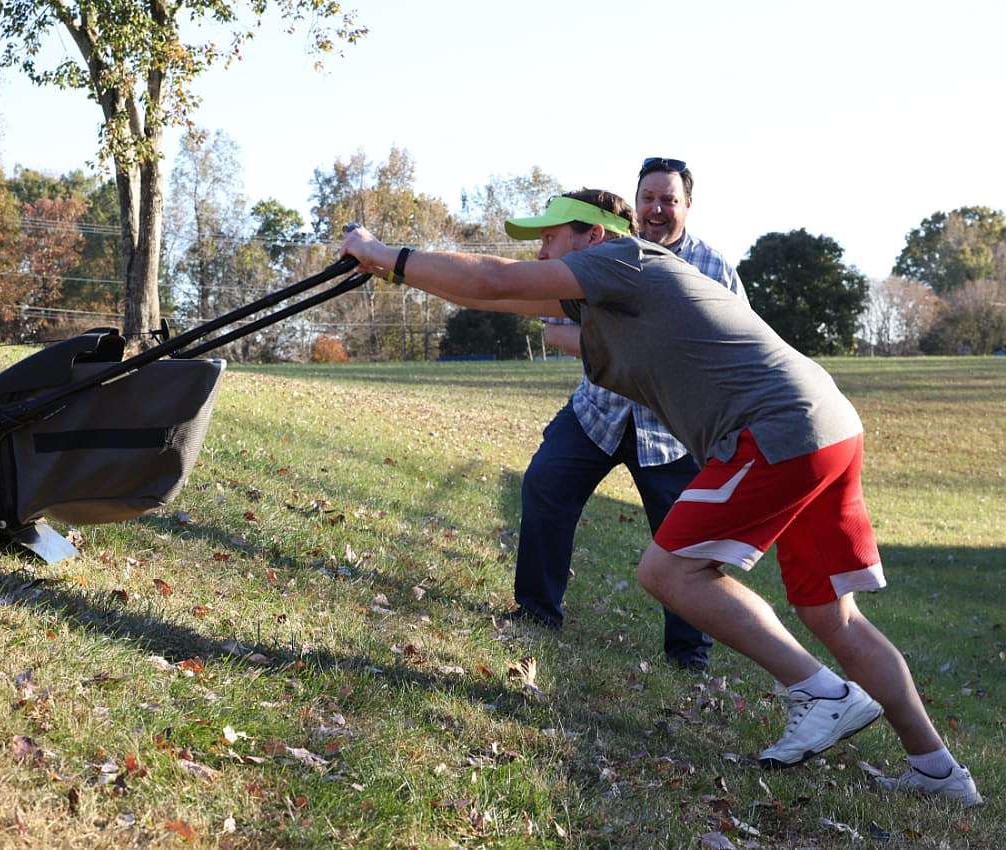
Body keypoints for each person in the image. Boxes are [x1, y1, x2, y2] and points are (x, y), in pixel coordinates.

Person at [338, 193, 983, 806]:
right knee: (829, 614)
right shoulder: (611, 295)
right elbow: (495, 295)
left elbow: (491, 278)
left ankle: (818, 692)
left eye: (551, 238)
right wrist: (393, 270)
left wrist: (383, 249)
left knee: (670, 571)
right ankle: (937, 770)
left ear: (593, 234)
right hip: (827, 424)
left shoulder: (624, 259)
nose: (542, 254)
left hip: (775, 428)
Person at [514, 160, 743, 677]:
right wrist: (627, 351)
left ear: (687, 205)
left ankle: (689, 656)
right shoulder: (608, 252)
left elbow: (734, 346)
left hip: (672, 432)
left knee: (687, 543)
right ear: (634, 203)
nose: (656, 210)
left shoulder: (713, 268)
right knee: (545, 487)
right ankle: (535, 615)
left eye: (669, 200)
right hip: (598, 411)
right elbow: (553, 329)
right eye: (648, 199)